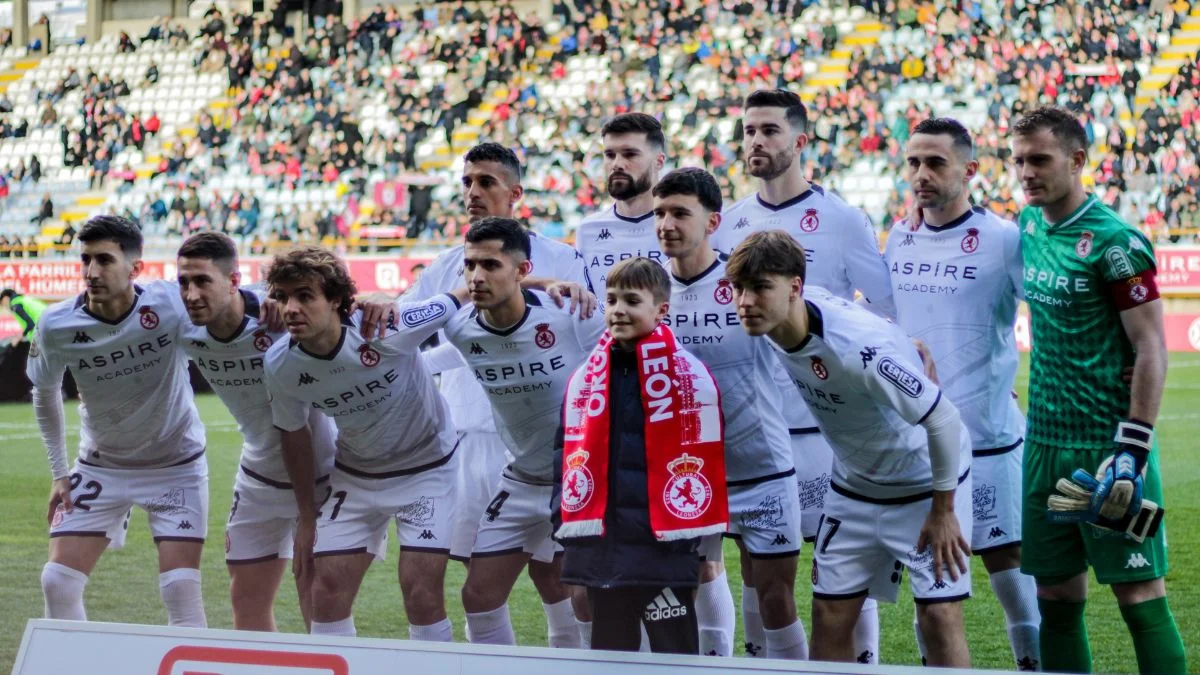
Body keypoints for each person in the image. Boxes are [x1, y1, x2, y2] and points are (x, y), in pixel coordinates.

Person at [725, 230, 974, 667]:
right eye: (738, 289)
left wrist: (943, 510)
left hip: (924, 488)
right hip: (853, 489)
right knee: (829, 615)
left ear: (794, 288)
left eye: (760, 288)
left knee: (939, 618)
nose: (745, 301)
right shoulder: (778, 316)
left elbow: (945, 420)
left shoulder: (859, 350)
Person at [715, 88, 892, 662]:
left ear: (800, 140)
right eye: (749, 131)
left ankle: (860, 666)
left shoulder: (841, 218)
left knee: (841, 561)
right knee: (756, 564)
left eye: (769, 130)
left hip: (826, 428)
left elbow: (884, 309)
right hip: (755, 429)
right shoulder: (732, 221)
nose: (757, 141)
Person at [1012, 107, 1186, 674]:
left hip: (1108, 453)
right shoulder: (1029, 225)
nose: (1026, 172)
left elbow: (1152, 346)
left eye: (1039, 159)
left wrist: (1133, 447)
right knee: (1055, 600)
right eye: (1018, 161)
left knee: (1139, 598)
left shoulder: (1115, 243)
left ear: (1077, 160)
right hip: (1042, 446)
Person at [405, 142, 590, 649]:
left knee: (560, 580)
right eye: (466, 182)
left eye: (485, 182)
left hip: (559, 449)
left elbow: (590, 339)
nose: (472, 192)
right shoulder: (448, 268)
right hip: (469, 438)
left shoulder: (565, 259)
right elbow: (408, 333)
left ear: (515, 192)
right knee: (480, 581)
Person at [885, 118, 1041, 669]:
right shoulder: (899, 236)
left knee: (1008, 563)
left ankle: (1032, 663)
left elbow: (1044, 314)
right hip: (920, 445)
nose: (921, 175)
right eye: (913, 163)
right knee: (928, 578)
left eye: (935, 163)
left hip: (990, 438)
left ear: (970, 170)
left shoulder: (1003, 240)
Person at [576, 113, 733, 656]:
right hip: (622, 447)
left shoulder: (705, 246)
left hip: (701, 440)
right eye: (609, 154)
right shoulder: (589, 233)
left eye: (630, 154)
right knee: (614, 609)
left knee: (706, 576)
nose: (618, 164)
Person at [263, 245, 469, 639]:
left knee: (421, 594)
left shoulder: (392, 325)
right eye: (283, 296)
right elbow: (293, 433)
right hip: (356, 477)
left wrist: (545, 283)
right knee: (326, 593)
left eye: (304, 296)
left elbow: (462, 294)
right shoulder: (280, 364)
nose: (290, 308)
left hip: (426, 472)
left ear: (336, 299)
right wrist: (307, 518)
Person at [427, 217, 605, 646]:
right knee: (479, 595)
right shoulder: (459, 326)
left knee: (584, 596)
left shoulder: (571, 314)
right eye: (470, 266)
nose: (476, 277)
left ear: (521, 270)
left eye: (489, 265)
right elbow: (404, 336)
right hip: (521, 479)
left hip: (579, 478)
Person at [654, 167, 806, 660]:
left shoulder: (744, 281)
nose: (666, 223)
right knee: (698, 580)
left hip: (761, 466)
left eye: (680, 212)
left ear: (713, 221)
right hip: (688, 472)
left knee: (776, 597)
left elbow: (810, 314)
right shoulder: (650, 292)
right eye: (659, 213)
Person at [27, 215, 208, 628]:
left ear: (134, 268)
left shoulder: (169, 304)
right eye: (86, 260)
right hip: (100, 466)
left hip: (175, 467)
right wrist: (59, 473)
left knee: (180, 589)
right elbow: (44, 392)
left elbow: (233, 300)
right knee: (57, 581)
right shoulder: (57, 325)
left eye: (104, 260)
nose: (91, 272)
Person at [554, 256, 727, 654]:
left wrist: (688, 544)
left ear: (661, 310)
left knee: (674, 656)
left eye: (632, 301)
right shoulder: (587, 376)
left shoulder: (688, 375)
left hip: (663, 556)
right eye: (611, 300)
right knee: (612, 656)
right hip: (604, 554)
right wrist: (561, 522)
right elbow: (562, 457)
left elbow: (706, 463)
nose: (618, 310)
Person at [175, 232, 337, 631]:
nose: (192, 294)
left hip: (321, 477)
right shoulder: (181, 327)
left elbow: (343, 309)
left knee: (315, 601)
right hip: (259, 479)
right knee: (245, 602)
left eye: (203, 281)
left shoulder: (280, 318)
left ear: (233, 281)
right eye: (184, 282)